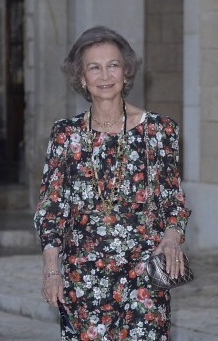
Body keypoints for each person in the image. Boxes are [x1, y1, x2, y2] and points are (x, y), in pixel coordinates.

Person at [34, 26, 191, 340]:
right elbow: (52, 210)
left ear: (126, 71)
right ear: (81, 77)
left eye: (113, 65)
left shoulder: (160, 131)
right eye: (94, 67)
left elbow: (173, 200)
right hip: (83, 278)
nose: (104, 75)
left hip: (145, 275)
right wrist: (52, 270)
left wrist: (172, 238)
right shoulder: (66, 134)